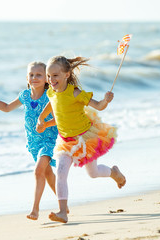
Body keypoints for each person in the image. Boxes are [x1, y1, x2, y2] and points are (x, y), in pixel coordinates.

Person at [36, 56, 126, 223]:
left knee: (93, 173)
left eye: (55, 75)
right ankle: (63, 212)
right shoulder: (51, 91)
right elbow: (52, 103)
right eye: (49, 76)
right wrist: (42, 119)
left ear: (67, 75)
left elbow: (98, 106)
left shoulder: (75, 93)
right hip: (65, 141)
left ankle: (114, 172)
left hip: (85, 138)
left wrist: (106, 100)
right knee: (61, 173)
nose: (51, 79)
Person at [0, 62, 59, 220]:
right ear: (27, 78)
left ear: (47, 79)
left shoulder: (51, 96)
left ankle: (35, 210)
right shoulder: (25, 95)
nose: (34, 77)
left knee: (38, 171)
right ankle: (64, 203)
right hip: (34, 143)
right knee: (48, 173)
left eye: (39, 75)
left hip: (49, 139)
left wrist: (45, 124)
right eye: (31, 75)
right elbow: (7, 107)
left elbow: (59, 118)